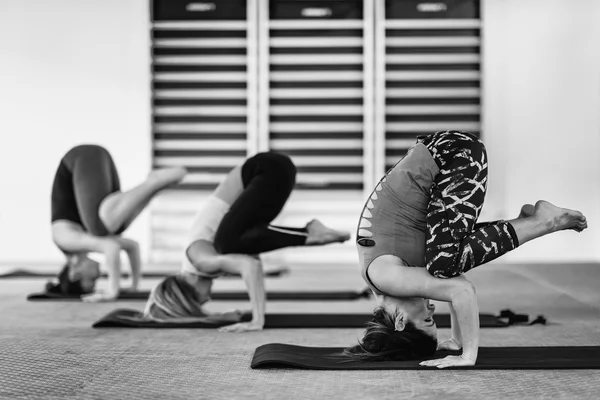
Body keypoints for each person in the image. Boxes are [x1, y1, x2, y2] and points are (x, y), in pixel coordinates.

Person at [344, 130, 587, 367]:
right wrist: (456, 340)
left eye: (427, 318)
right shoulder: (383, 277)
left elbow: (461, 290)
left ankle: (542, 221)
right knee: (444, 264)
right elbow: (454, 280)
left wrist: (467, 355)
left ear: (399, 321)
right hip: (449, 154)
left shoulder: (389, 279)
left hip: (455, 157)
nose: (431, 307)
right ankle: (525, 223)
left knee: (442, 265)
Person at [142, 151, 351, 332]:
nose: (207, 301)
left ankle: (310, 234)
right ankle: (311, 233)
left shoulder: (201, 261)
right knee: (237, 246)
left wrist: (257, 320)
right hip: (274, 171)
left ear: (186, 296)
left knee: (229, 246)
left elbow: (249, 266)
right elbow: (253, 260)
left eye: (197, 304)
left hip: (265, 170)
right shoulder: (205, 259)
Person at [47, 144, 186, 301]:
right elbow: (132, 246)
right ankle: (154, 187)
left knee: (100, 229)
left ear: (75, 273)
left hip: (81, 158)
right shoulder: (80, 245)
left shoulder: (65, 240)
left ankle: (153, 182)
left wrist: (113, 291)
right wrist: (134, 286)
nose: (98, 276)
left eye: (92, 280)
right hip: (93, 159)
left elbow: (111, 248)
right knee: (117, 226)